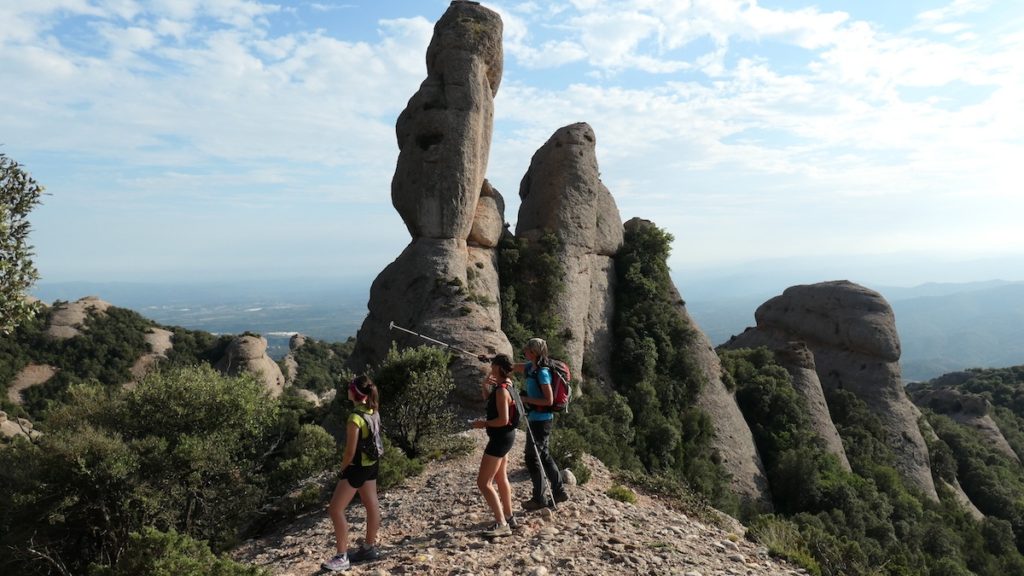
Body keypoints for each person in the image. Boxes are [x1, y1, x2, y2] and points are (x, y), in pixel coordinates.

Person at [322, 375, 383, 572]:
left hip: (357, 466)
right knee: (371, 503)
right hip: (372, 464)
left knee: (335, 509)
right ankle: (369, 548)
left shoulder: (355, 418)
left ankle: (342, 557)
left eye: (349, 387)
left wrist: (342, 469)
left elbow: (350, 451)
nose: (347, 390)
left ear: (354, 393)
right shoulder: (373, 410)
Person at [515, 337, 569, 510]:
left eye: (527, 350)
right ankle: (557, 492)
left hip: (542, 420)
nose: (525, 352)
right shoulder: (532, 367)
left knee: (534, 458)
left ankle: (540, 498)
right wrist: (490, 359)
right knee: (541, 456)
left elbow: (548, 400)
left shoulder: (542, 372)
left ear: (534, 352)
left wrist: (524, 398)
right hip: (535, 418)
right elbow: (514, 366)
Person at [470, 353, 519, 537]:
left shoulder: (501, 390)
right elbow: (492, 403)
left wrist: (483, 424)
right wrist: (485, 386)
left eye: (492, 365)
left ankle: (501, 524)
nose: (490, 368)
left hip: (499, 439)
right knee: (500, 477)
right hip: (507, 437)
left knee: (483, 482)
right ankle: (509, 516)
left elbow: (503, 419)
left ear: (498, 368)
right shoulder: (507, 386)